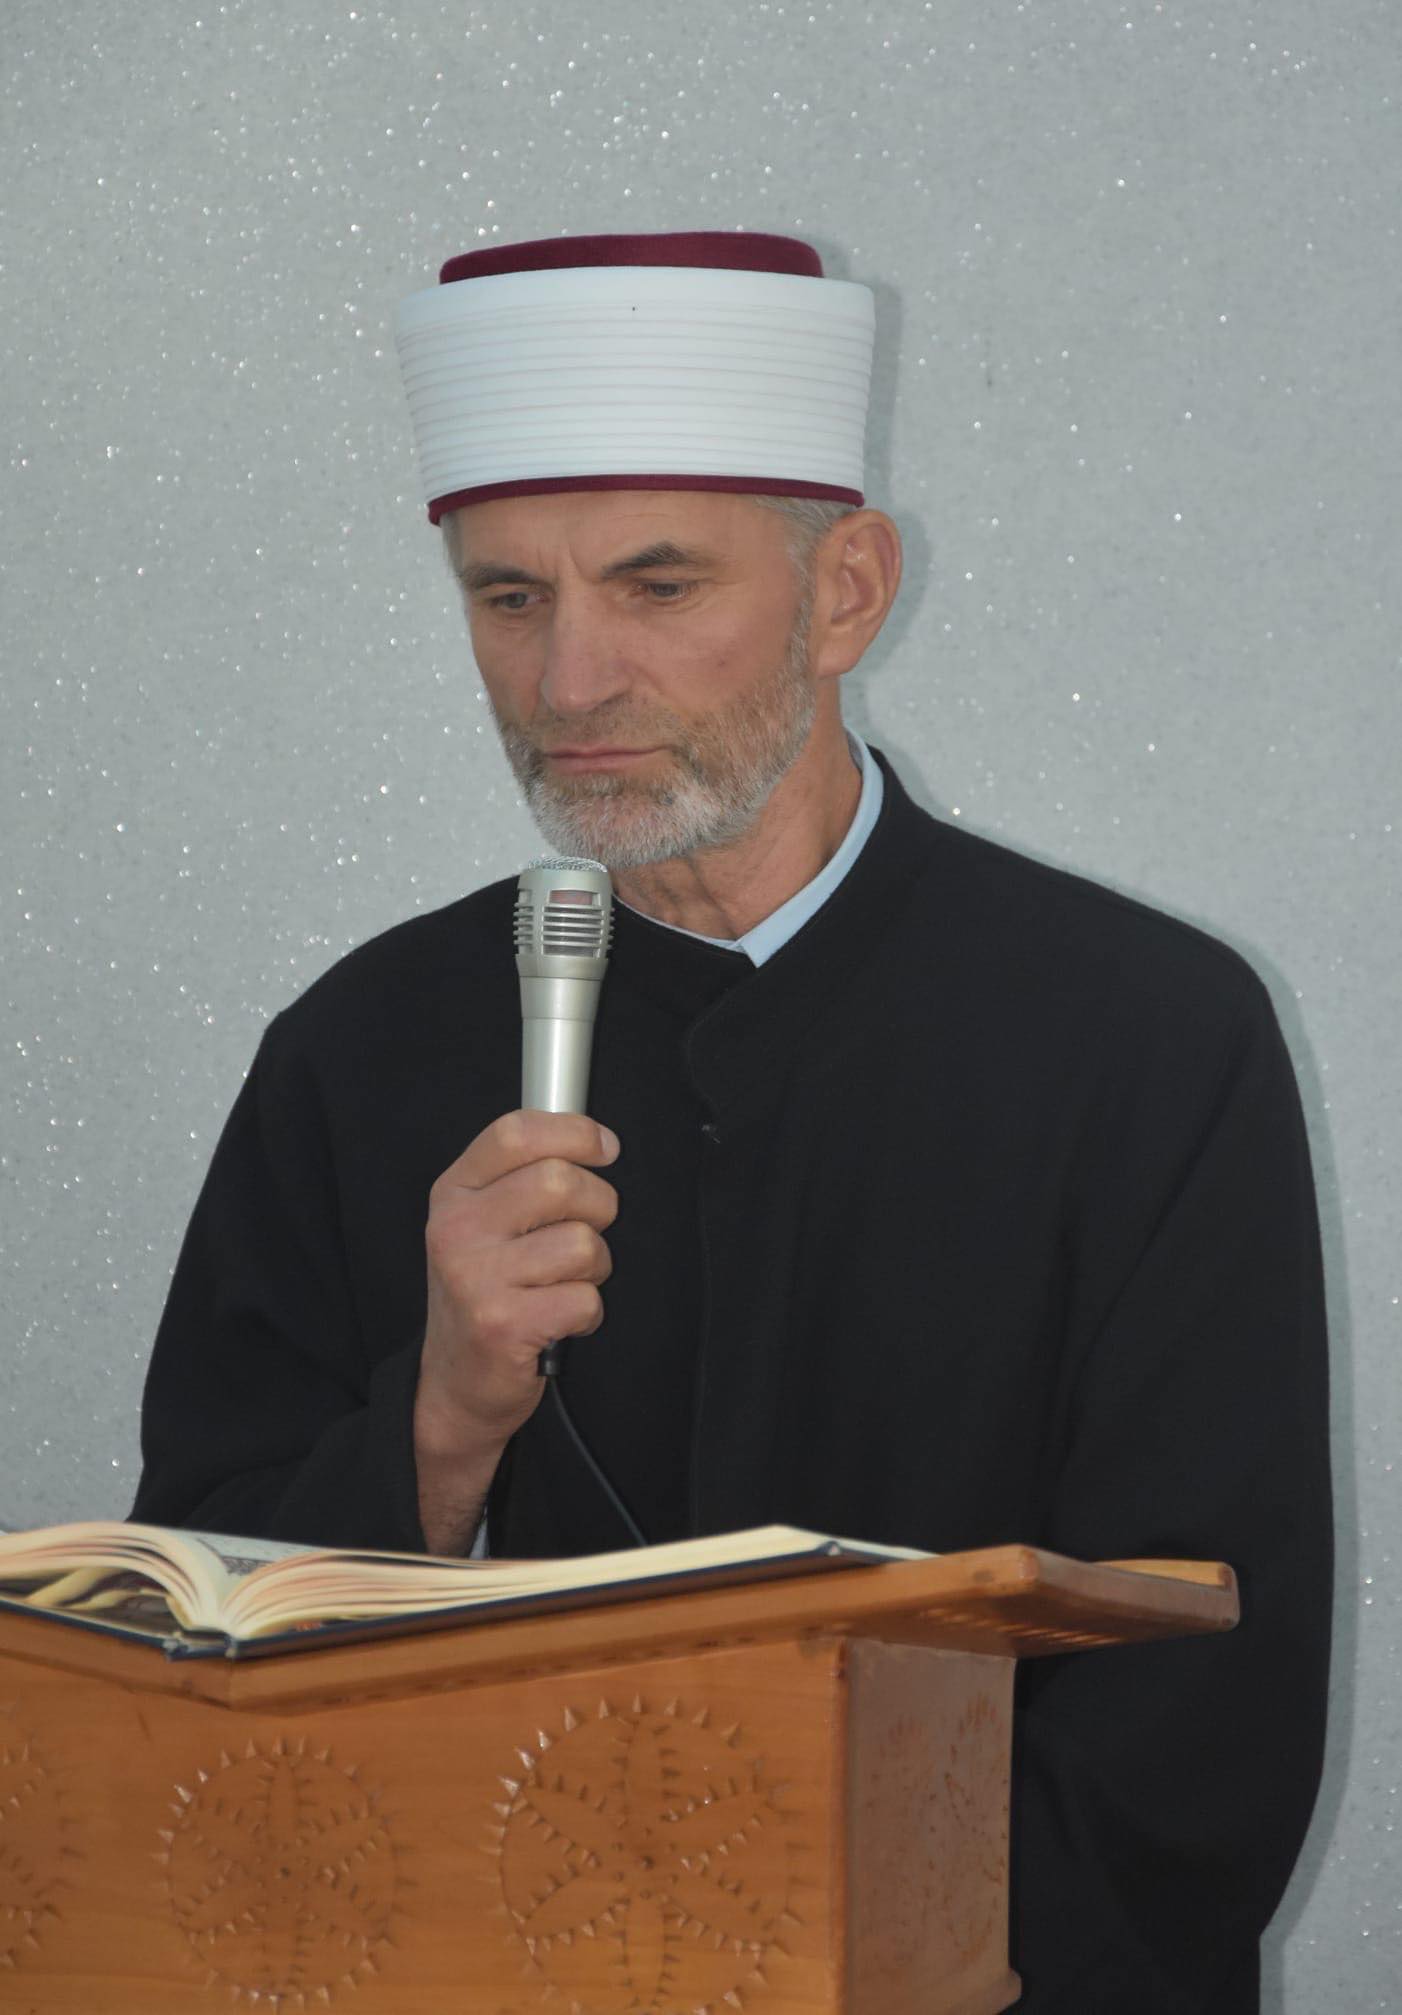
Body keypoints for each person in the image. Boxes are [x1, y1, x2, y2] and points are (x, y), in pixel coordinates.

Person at [132, 233, 1332, 2009]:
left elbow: (1201, 1694)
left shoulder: (1142, 1035)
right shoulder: (362, 1047)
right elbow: (183, 1660)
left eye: (657, 585)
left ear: (845, 592)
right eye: (509, 599)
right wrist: (442, 1422)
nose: (570, 684)